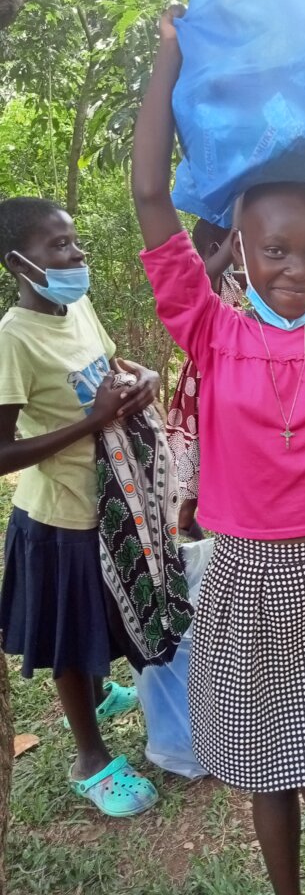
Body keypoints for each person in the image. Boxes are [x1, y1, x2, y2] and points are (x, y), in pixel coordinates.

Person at [131, 0, 305, 895]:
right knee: (265, 774)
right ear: (242, 251)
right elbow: (146, 190)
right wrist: (170, 50)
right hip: (246, 577)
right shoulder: (208, 330)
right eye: (277, 252)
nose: (298, 270)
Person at [0, 196, 161, 815]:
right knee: (70, 637)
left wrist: (141, 378)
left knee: (102, 614)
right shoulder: (15, 340)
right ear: (20, 262)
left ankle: (96, 697)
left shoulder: (76, 305)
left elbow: (110, 367)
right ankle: (90, 759)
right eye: (58, 246)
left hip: (106, 504)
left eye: (75, 241)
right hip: (58, 516)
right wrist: (90, 423)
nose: (76, 254)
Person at [166, 219, 244, 540]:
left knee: (201, 467)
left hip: (218, 378)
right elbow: (208, 272)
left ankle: (186, 528)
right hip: (206, 383)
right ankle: (182, 529)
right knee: (195, 464)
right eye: (237, 243)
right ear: (218, 249)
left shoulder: (228, 281)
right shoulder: (207, 280)